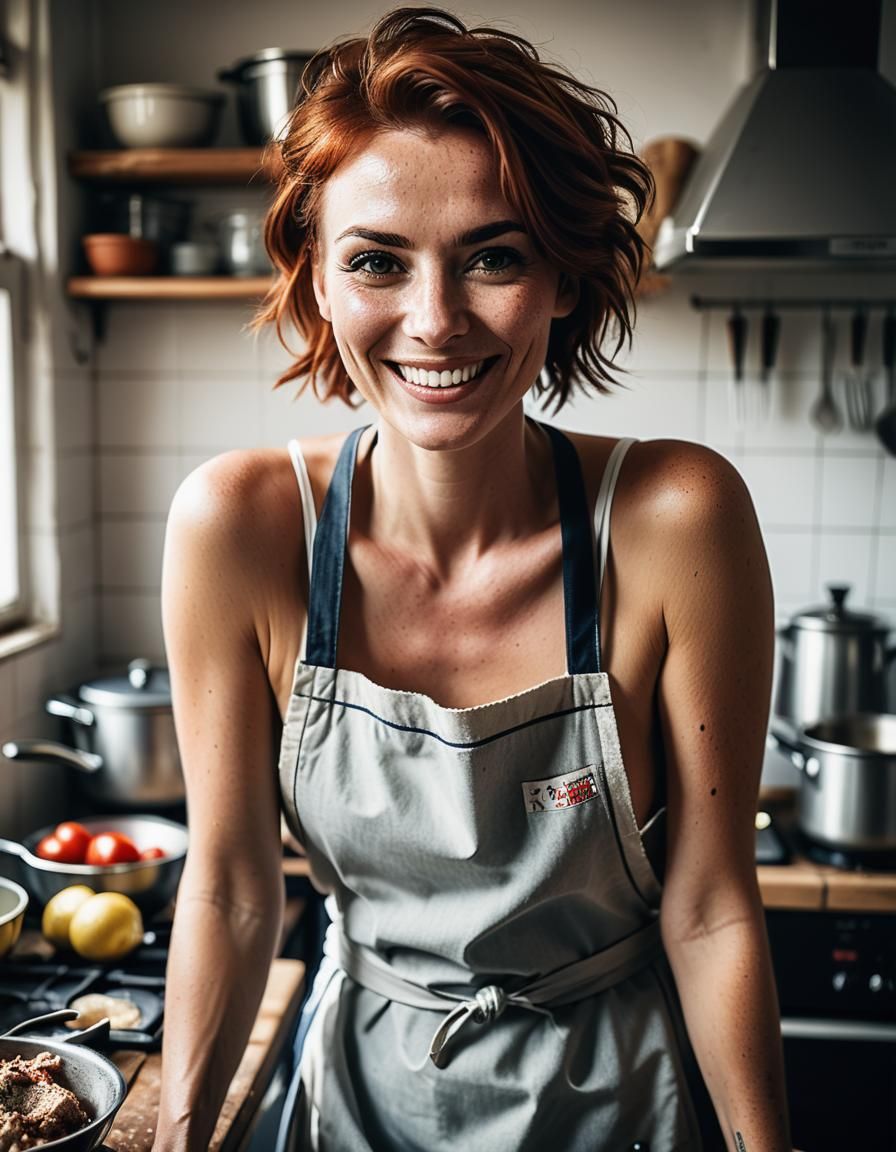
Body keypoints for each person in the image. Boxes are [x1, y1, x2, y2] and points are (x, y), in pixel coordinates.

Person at [154, 8, 792, 1151]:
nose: (435, 321)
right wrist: (178, 1137)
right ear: (319, 281)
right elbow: (233, 886)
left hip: (619, 1104)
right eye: (377, 262)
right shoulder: (239, 528)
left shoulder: (672, 517)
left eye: (492, 256)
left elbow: (708, 906)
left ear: (559, 277)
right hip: (359, 1100)